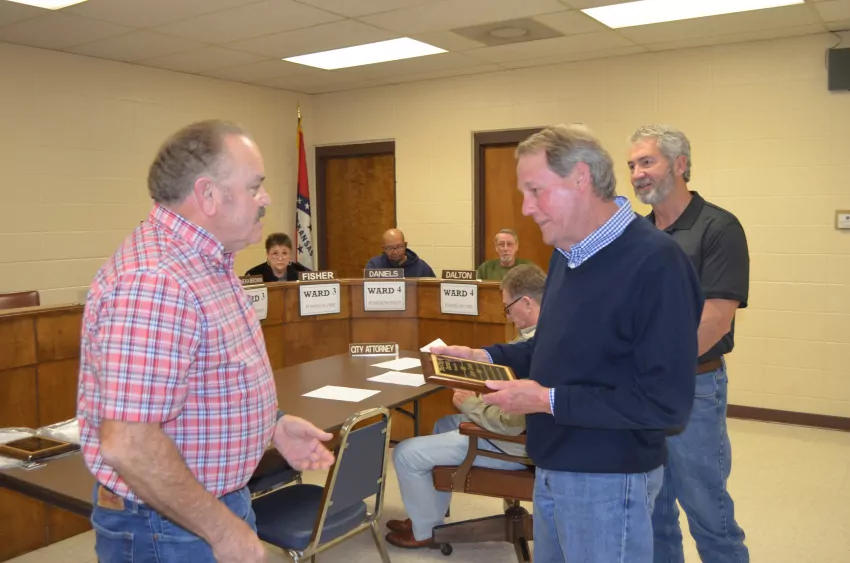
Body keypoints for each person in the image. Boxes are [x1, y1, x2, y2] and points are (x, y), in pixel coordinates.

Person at [432, 124, 704, 563]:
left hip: (609, 478)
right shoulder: (567, 253)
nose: (526, 208)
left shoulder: (657, 263)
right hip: (552, 465)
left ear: (580, 178)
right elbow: (550, 347)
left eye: (535, 191)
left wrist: (547, 400)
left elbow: (665, 404)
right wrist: (485, 356)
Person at [77, 120, 335, 563]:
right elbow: (130, 444)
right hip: (170, 525)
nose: (266, 199)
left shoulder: (207, 262)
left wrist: (272, 425)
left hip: (205, 506)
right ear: (208, 194)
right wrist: (221, 529)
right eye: (254, 186)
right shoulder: (157, 281)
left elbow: (211, 376)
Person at [628, 125, 750, 563]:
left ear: (680, 165)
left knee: (707, 511)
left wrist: (654, 365)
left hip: (693, 387)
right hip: (642, 392)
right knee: (655, 512)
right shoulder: (636, 235)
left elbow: (714, 321)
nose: (636, 173)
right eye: (632, 165)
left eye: (647, 162)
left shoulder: (718, 227)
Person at [385, 264, 545, 549]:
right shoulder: (540, 335)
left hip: (513, 444)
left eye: (507, 308)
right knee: (442, 425)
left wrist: (469, 403)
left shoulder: (537, 348)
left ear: (527, 303)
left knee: (405, 453)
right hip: (521, 434)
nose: (507, 315)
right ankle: (428, 517)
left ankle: (424, 532)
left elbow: (510, 423)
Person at [365, 228, 436, 277]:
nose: (395, 252)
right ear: (383, 248)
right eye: (390, 248)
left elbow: (434, 290)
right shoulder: (375, 266)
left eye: (399, 247)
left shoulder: (421, 267)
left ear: (405, 245)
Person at [245, 232, 310, 282]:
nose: (280, 258)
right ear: (267, 254)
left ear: (290, 254)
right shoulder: (253, 275)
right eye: (275, 253)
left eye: (284, 253)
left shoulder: (302, 273)